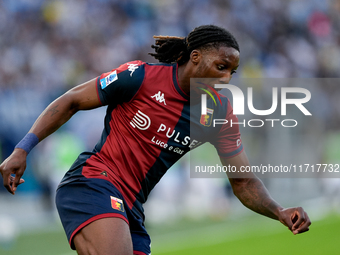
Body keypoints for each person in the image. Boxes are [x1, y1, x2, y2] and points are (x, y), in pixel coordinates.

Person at [0, 25, 311, 255]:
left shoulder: (219, 112)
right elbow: (71, 101)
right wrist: (22, 148)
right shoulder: (140, 76)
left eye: (232, 71)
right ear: (195, 57)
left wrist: (279, 211)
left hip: (131, 206)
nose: (227, 78)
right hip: (93, 182)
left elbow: (243, 182)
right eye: (221, 67)